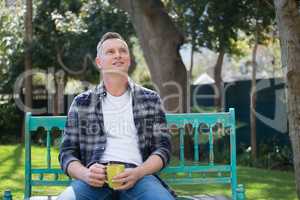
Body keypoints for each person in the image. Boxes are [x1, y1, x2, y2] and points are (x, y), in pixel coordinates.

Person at [57, 32, 174, 200]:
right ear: (99, 62)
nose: (118, 55)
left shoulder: (150, 99)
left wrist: (138, 172)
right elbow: (67, 153)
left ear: (129, 58)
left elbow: (163, 149)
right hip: (93, 181)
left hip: (138, 178)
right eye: (110, 52)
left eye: (122, 51)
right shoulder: (82, 103)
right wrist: (85, 174)